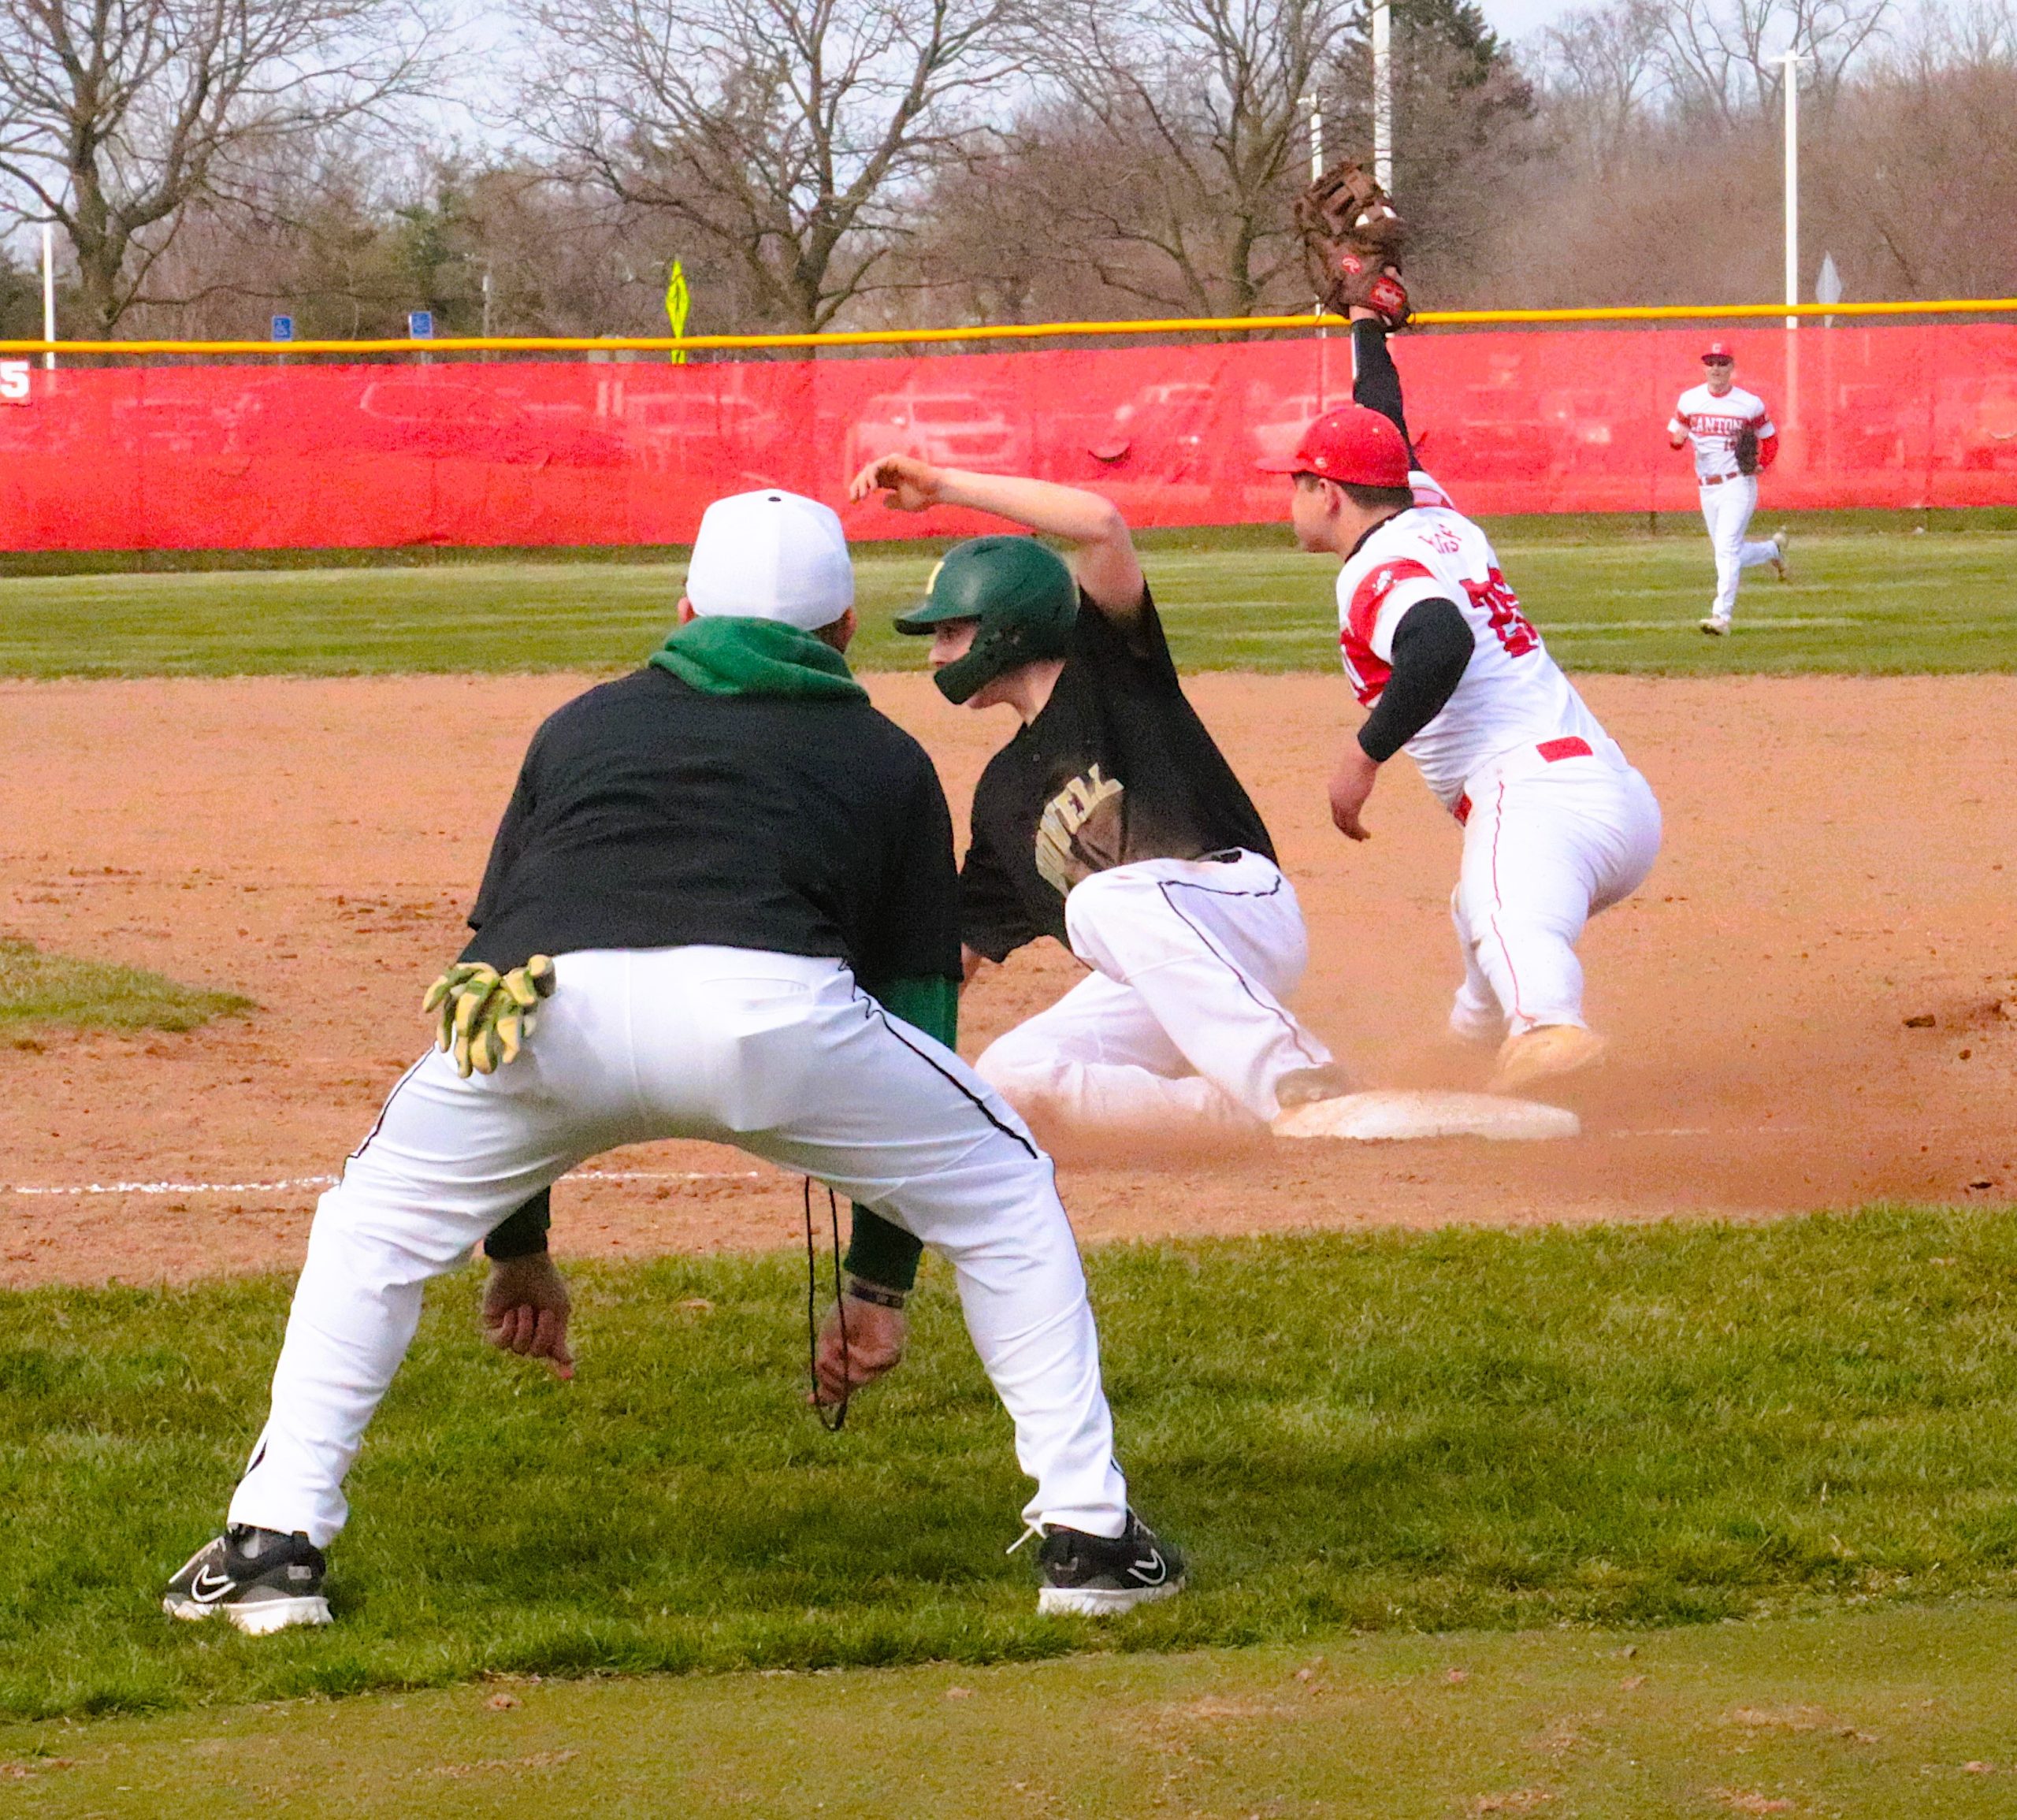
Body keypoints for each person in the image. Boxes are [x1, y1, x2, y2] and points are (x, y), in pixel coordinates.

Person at [161, 488, 1183, 1634]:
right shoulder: (885, 756)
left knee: (369, 1228)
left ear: (686, 607)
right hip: (775, 1020)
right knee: (1001, 1185)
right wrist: (877, 1282)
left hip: (552, 1016)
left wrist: (522, 1244)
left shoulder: (581, 726)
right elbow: (916, 1012)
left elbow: (495, 978)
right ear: (844, 631)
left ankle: (272, 1543)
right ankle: (1091, 1537)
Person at [845, 454, 1347, 1150]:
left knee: (1100, 900)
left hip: (1239, 908)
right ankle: (1237, 1113)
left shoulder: (1109, 664)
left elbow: (1102, 525)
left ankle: (1295, 1074)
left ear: (1007, 625)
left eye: (951, 631)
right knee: (1013, 1076)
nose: (936, 655)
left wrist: (946, 488)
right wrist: (864, 1065)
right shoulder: (1001, 798)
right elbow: (951, 957)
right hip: (1154, 983)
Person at [1268, 325, 1662, 1094]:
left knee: (1504, 913)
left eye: (1296, 481)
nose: (1289, 498)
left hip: (1536, 804)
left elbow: (1438, 641)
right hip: (1610, 797)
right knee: (1475, 906)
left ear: (1328, 492)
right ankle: (1471, 1039)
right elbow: (1381, 414)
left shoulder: (1378, 567)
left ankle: (1548, 1033)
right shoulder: (1433, 513)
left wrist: (1363, 753)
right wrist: (1364, 322)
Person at [1668, 340, 1786, 635]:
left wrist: (1763, 464)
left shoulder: (1749, 403)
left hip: (1737, 484)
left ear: (1732, 367)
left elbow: (1770, 438)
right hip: (1707, 487)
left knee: (1726, 551)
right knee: (1727, 549)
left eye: (1723, 363)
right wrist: (1678, 441)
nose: (1716, 369)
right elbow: (1675, 437)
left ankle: (1721, 616)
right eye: (1711, 363)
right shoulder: (1690, 400)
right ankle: (1773, 549)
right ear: (1704, 367)